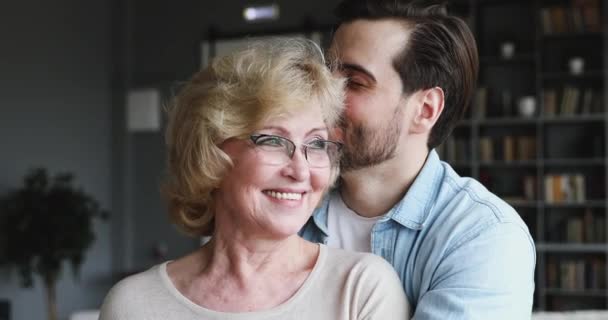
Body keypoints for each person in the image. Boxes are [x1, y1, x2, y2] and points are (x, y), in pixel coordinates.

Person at [99, 38, 410, 320]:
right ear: (212, 150)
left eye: (315, 144)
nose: (300, 171)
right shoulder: (134, 305)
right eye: (273, 141)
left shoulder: (360, 289)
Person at [300, 0, 536, 319]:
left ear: (425, 110)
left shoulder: (482, 235)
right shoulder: (288, 205)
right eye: (328, 75)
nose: (325, 95)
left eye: (355, 82)